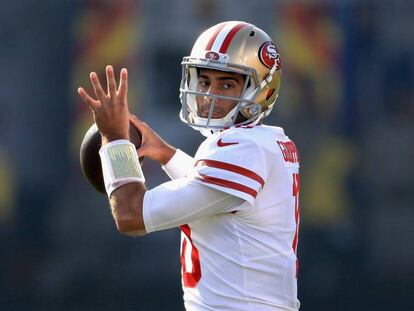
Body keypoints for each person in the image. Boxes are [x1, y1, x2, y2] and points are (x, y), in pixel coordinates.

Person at [78, 21, 301, 311]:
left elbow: (131, 215)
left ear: (263, 90)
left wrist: (115, 140)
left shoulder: (240, 148)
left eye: (227, 84)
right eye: (205, 81)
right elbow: (213, 198)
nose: (209, 95)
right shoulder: (268, 143)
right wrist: (166, 154)